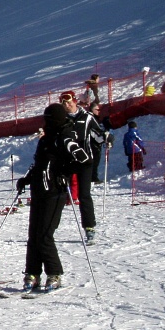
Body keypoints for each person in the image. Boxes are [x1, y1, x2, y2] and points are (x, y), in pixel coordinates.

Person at [17, 104, 91, 293]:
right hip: (39, 190)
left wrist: (65, 172)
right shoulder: (46, 139)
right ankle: (32, 273)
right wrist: (27, 179)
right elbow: (40, 164)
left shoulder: (65, 136)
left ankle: (54, 273)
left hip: (54, 192)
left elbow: (84, 159)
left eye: (50, 119)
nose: (47, 123)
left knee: (44, 235)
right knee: (33, 234)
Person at [60, 91, 104, 244]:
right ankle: (48, 227)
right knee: (59, 193)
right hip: (67, 161)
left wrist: (105, 137)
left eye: (69, 101)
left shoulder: (86, 117)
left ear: (75, 101)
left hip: (85, 162)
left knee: (84, 195)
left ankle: (89, 228)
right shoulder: (62, 119)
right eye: (64, 103)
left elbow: (98, 135)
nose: (67, 105)